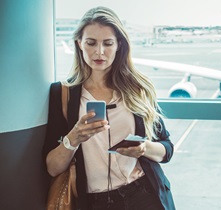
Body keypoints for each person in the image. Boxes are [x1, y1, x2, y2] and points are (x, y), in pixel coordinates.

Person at [43, 6, 175, 210]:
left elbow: (166, 150)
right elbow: (52, 168)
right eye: (91, 43)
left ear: (119, 45)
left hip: (145, 195)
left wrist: (143, 149)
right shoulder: (63, 94)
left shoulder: (137, 88)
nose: (99, 52)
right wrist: (74, 137)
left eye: (108, 43)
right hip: (96, 202)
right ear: (79, 44)